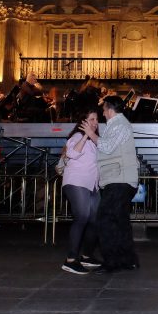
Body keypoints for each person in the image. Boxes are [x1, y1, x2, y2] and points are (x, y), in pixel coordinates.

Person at [81, 95, 139, 272]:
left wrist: (90, 134)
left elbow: (106, 147)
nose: (103, 114)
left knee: (105, 220)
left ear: (111, 109)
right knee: (120, 221)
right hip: (120, 179)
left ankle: (112, 261)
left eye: (104, 110)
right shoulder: (118, 125)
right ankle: (128, 260)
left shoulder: (120, 125)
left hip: (118, 179)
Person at [60, 111, 102, 275]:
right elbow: (71, 154)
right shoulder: (77, 136)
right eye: (92, 119)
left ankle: (86, 256)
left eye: (97, 119)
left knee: (95, 220)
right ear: (83, 121)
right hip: (76, 182)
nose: (95, 122)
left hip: (92, 185)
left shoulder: (94, 141)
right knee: (83, 217)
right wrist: (85, 136)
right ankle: (70, 260)